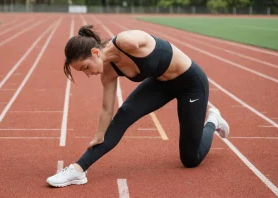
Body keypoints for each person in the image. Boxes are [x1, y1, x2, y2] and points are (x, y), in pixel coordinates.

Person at [46, 25, 229, 188]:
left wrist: (130, 38)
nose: (87, 74)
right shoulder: (108, 72)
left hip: (191, 84)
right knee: (123, 114)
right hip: (161, 84)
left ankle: (213, 120)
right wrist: (100, 134)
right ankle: (78, 169)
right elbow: (106, 109)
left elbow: (148, 40)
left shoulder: (126, 42)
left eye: (85, 67)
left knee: (190, 159)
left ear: (95, 53)